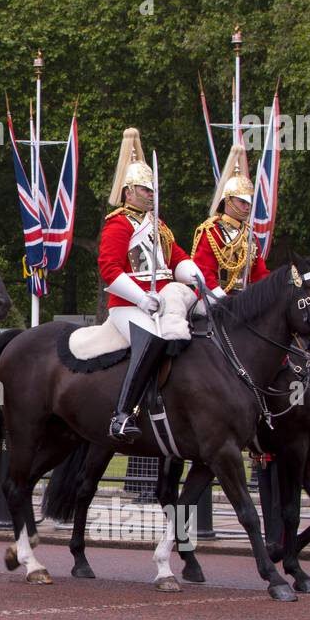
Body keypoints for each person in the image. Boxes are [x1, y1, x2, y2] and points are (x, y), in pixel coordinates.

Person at [98, 128, 206, 441]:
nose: (150, 194)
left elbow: (178, 259)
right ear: (128, 192)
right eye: (144, 189)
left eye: (152, 189)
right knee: (151, 342)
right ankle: (121, 414)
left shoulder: (158, 225)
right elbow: (109, 268)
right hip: (128, 304)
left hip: (163, 299)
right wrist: (142, 299)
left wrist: (197, 277)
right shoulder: (118, 223)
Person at [191, 143, 269, 296]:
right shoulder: (212, 231)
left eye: (249, 203)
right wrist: (222, 300)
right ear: (228, 201)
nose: (247, 207)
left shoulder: (249, 235)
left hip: (245, 299)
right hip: (214, 297)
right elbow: (204, 273)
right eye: (242, 202)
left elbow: (260, 273)